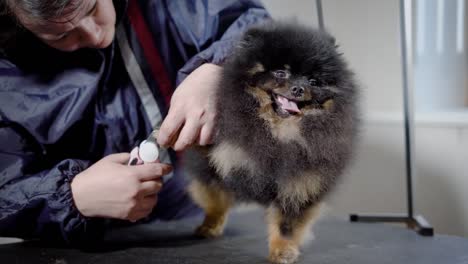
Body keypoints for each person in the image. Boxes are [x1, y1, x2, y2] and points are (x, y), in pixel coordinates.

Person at [0, 0, 270, 244]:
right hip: (90, 246)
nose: (96, 36)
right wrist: (69, 198)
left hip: (195, 219)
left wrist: (224, 69)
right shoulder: (6, 78)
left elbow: (261, 31)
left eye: (93, 8)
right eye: (62, 35)